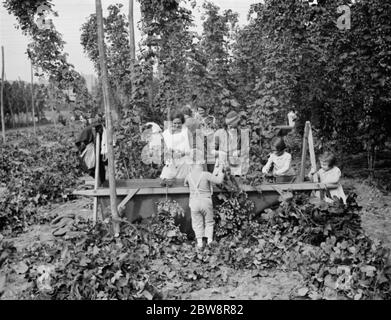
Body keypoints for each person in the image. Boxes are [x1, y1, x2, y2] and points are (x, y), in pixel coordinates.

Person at [184, 149, 224, 249]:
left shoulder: (188, 176)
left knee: (197, 223)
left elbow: (185, 184)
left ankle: (200, 242)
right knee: (209, 222)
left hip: (194, 202)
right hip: (206, 201)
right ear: (201, 163)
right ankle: (210, 241)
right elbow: (219, 180)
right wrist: (221, 171)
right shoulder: (206, 174)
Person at [214, 111, 249, 177]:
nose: (230, 127)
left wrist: (239, 152)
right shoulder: (219, 133)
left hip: (236, 164)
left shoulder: (242, 134)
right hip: (222, 164)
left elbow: (246, 149)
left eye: (233, 125)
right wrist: (220, 153)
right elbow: (211, 151)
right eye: (228, 125)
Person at [75, 114, 107, 184]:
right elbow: (80, 144)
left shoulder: (93, 128)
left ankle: (101, 182)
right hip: (94, 151)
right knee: (95, 167)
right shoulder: (90, 129)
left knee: (95, 167)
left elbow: (80, 143)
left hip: (96, 150)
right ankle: (100, 182)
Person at [160, 111, 191, 181]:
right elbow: (165, 148)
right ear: (171, 122)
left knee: (182, 180)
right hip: (171, 161)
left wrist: (182, 154)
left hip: (184, 161)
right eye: (175, 123)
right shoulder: (166, 133)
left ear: (182, 122)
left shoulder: (186, 132)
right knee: (167, 179)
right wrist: (170, 152)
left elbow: (190, 149)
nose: (177, 125)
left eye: (179, 123)